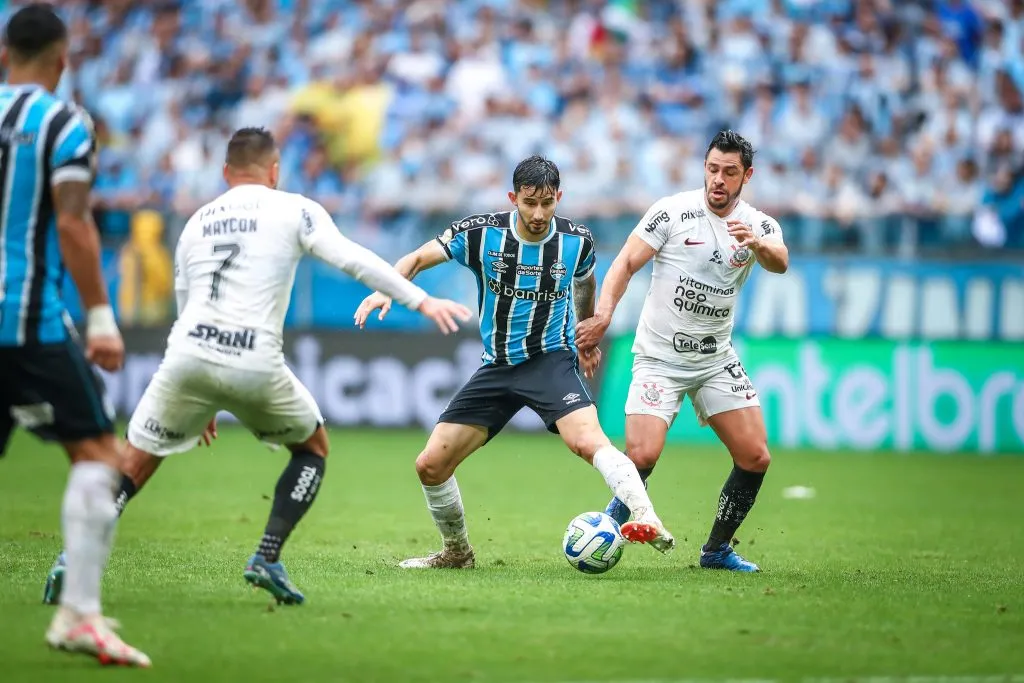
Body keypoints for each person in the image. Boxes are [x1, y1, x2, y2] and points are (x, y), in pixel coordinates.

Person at [43, 127, 471, 605]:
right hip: (251, 356)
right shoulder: (294, 208)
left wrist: (201, 401)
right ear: (274, 170)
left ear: (226, 172)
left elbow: (184, 308)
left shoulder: (196, 222)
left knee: (136, 459)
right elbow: (352, 260)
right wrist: (420, 299)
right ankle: (266, 555)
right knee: (312, 448)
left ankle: (73, 557)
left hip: (186, 356)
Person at [355, 155, 675, 569]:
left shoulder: (576, 241)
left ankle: (647, 516)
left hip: (550, 361)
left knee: (588, 442)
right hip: (498, 366)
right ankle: (457, 553)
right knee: (430, 465)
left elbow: (585, 282)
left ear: (559, 197)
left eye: (547, 203)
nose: (539, 213)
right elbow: (415, 259)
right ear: (513, 198)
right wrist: (387, 289)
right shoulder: (480, 234)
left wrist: (586, 336)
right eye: (529, 203)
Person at [0, 4, 150, 667]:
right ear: (62, 62)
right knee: (96, 453)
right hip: (24, 315)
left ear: (5, 54)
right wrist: (98, 315)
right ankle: (79, 616)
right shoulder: (64, 121)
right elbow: (72, 222)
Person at [576, 131, 789, 573]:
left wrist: (757, 243)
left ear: (746, 176)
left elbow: (780, 260)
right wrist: (603, 316)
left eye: (730, 173)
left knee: (755, 457)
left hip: (715, 360)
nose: (718, 179)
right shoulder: (672, 211)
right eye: (712, 169)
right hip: (660, 358)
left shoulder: (759, 225)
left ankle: (715, 551)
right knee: (642, 456)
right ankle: (610, 526)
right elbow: (626, 263)